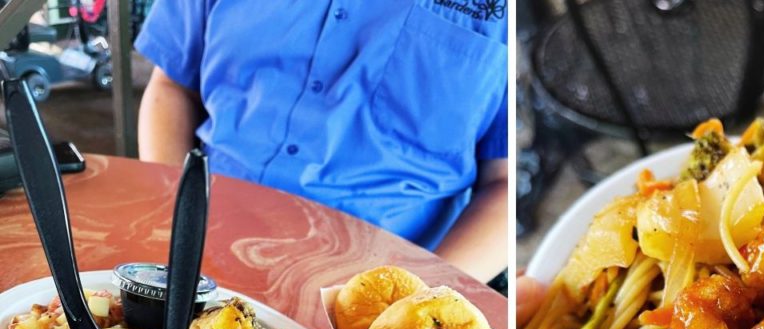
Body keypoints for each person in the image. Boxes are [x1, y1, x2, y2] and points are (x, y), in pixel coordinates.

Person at [135, 2, 508, 283]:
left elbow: (506, 185)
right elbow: (171, 87)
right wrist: (177, 222)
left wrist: (420, 298)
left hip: (383, 276)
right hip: (202, 241)